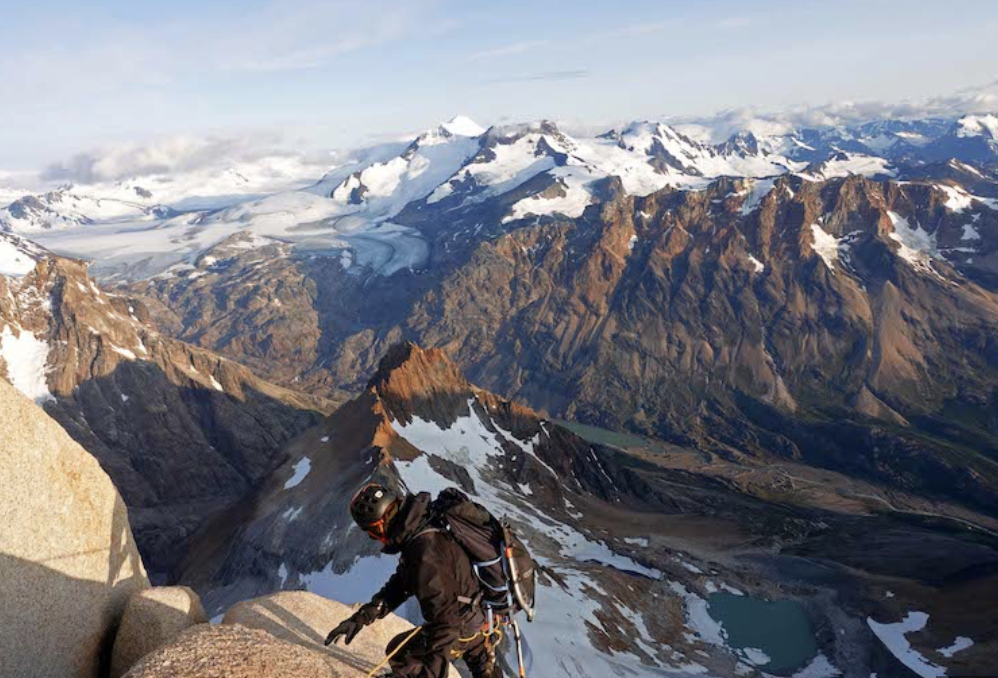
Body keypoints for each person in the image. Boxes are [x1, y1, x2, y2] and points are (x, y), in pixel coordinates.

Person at [325, 483, 504, 678]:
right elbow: (402, 583)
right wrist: (362, 616)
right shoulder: (423, 527)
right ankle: (484, 663)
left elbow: (447, 623)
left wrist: (431, 673)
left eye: (373, 533)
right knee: (478, 662)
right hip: (477, 614)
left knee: (403, 656)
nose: (376, 538)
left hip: (461, 624)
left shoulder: (423, 552)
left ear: (380, 525)